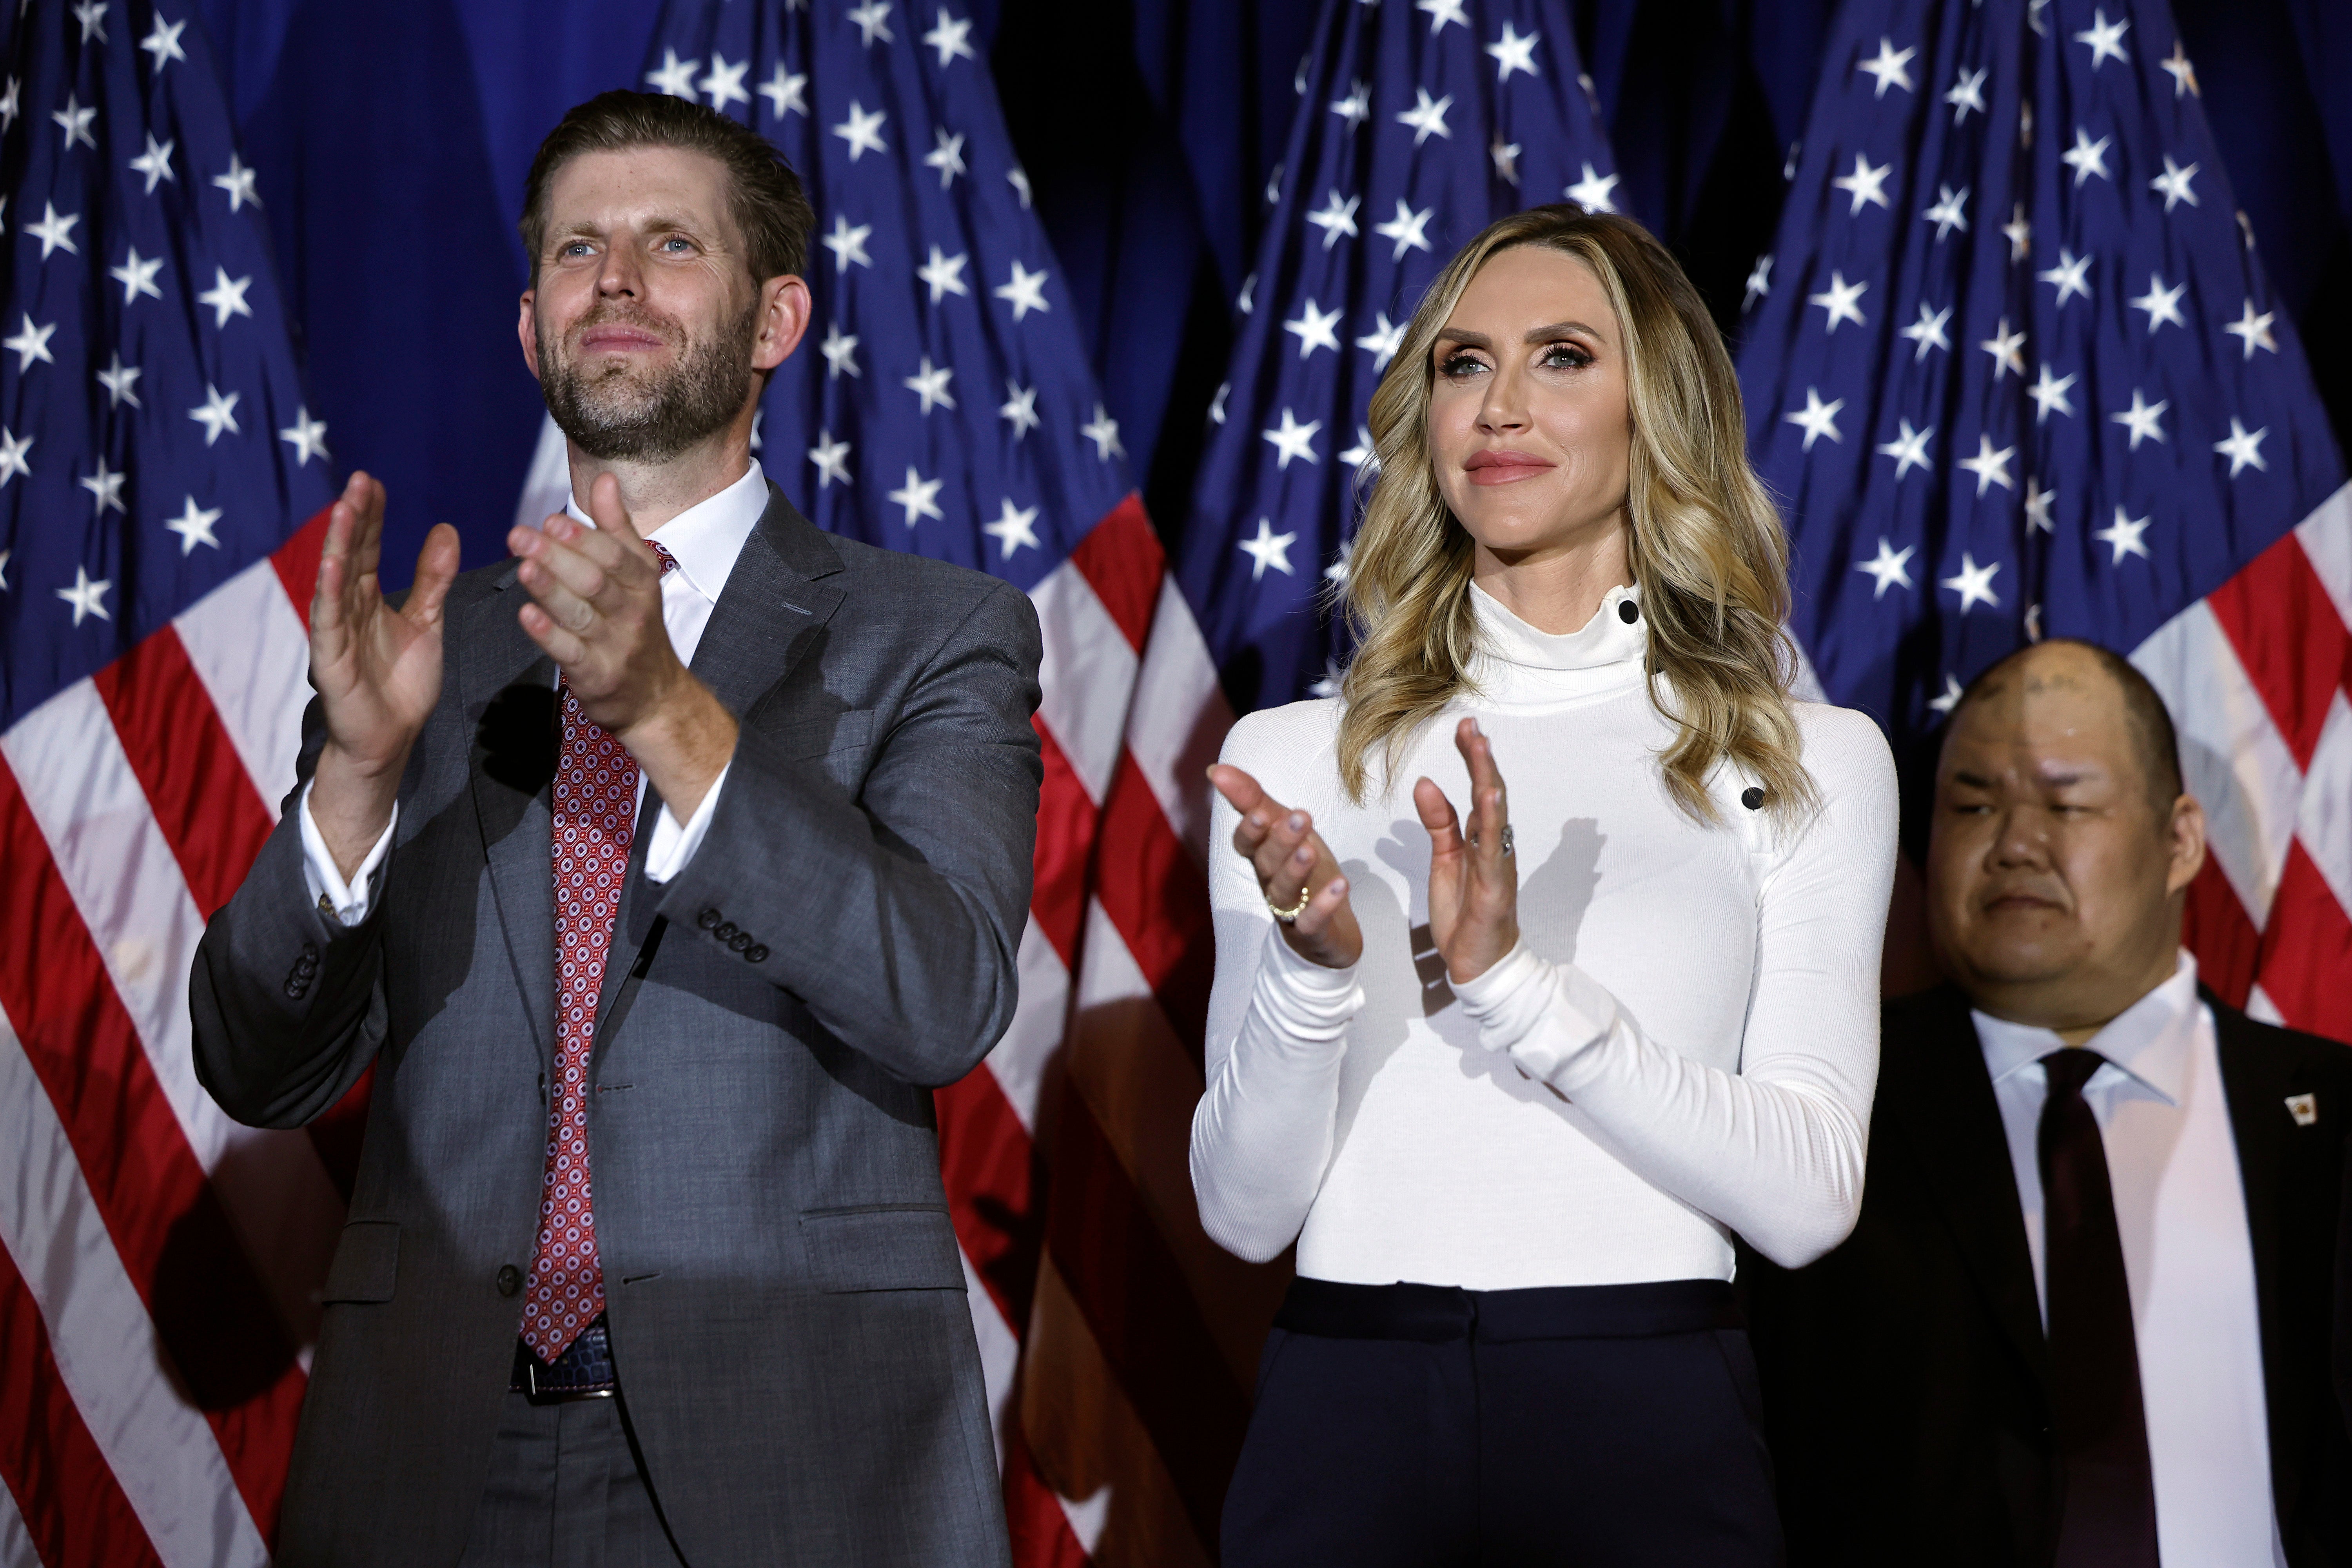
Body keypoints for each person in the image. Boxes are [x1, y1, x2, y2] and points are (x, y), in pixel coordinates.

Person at [190, 91, 1038, 1567]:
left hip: (792, 1455)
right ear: (532, 330)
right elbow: (258, 1068)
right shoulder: (427, 655)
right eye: (579, 249)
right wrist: (357, 784)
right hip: (435, 1456)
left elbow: (944, 996)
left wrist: (666, 711)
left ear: (776, 323)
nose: (618, 278)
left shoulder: (935, 634)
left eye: (669, 244)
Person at [1189, 204, 1898, 1566]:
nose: (1500, 403)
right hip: (1349, 1396)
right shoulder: (1290, 757)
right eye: (1463, 364)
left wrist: (1514, 988)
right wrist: (1316, 969)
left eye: (1562, 356)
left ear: (1659, 408)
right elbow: (1244, 1213)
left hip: (1648, 1405)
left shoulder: (1803, 756)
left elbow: (1809, 1202)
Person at [1744, 639, 2352, 1566]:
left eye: (2067, 801)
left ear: (2182, 840)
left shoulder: (2332, 1116)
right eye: (1974, 804)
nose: (2017, 843)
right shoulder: (1823, 1107)